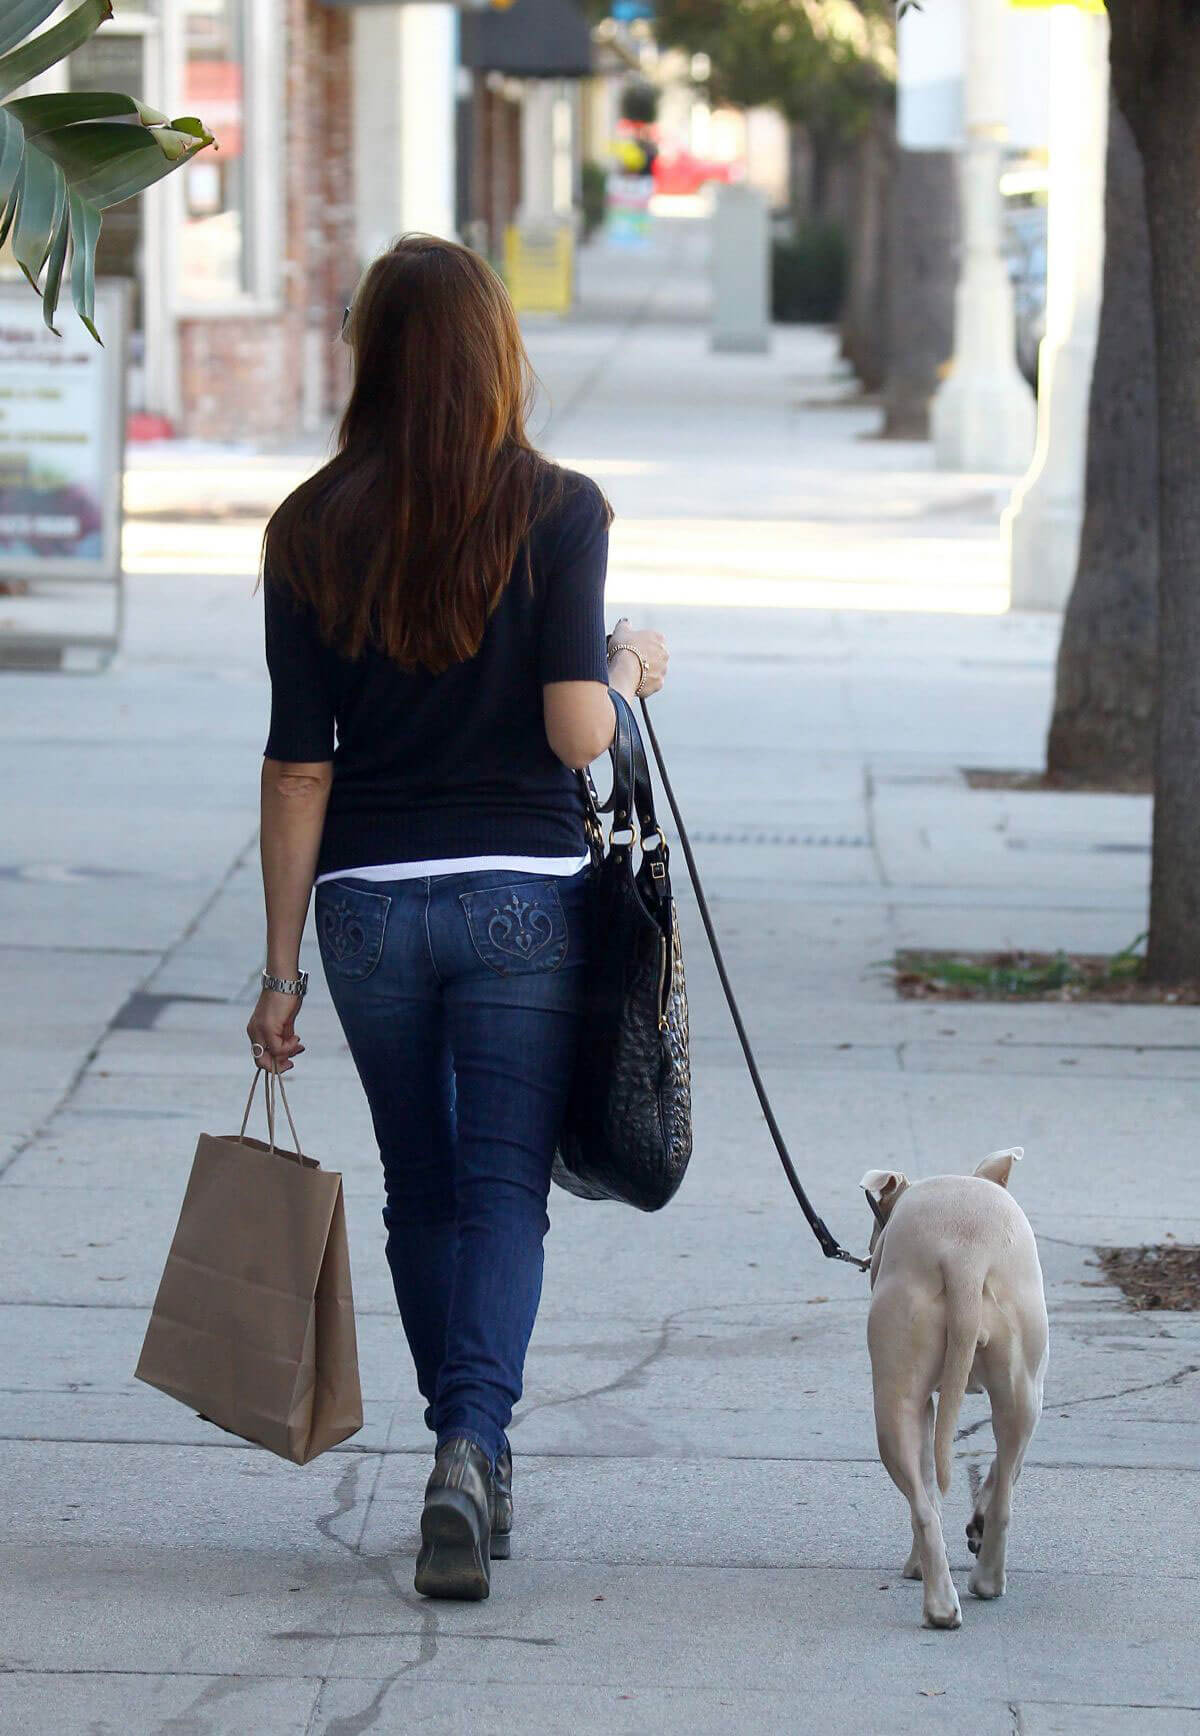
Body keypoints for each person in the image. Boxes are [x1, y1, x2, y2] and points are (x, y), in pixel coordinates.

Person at [246, 235, 668, 1601]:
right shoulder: (559, 508)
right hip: (519, 902)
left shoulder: (309, 526)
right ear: (499, 351)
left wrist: (278, 974)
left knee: (422, 1187)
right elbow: (569, 733)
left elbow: (298, 763)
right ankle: (471, 1451)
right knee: (500, 1193)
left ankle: (462, 1451)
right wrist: (618, 667)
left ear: (370, 356)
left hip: (366, 910)